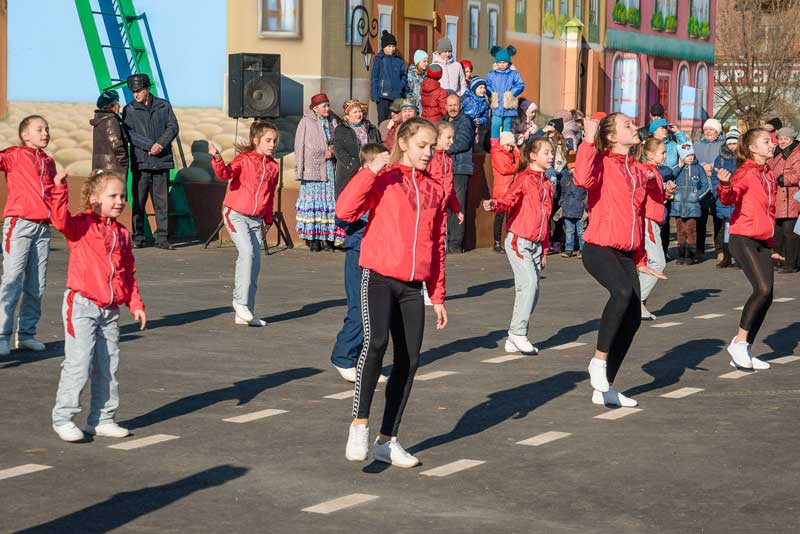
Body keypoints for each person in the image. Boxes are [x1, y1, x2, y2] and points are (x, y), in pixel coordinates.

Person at [337, 117, 448, 468]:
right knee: (376, 343)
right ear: (402, 142)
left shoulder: (435, 189)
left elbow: (437, 243)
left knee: (410, 361)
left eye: (432, 146)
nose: (428, 152)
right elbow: (344, 211)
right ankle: (359, 424)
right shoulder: (385, 179)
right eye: (421, 146)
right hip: (379, 276)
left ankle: (388, 439)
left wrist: (438, 294)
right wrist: (370, 170)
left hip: (413, 286)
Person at [574, 113, 667, 408]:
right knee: (622, 293)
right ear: (612, 136)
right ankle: (598, 362)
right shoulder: (600, 160)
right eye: (626, 125)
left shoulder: (638, 169)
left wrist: (640, 257)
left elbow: (642, 214)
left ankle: (606, 389)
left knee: (634, 317)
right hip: (598, 247)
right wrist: (588, 140)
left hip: (627, 252)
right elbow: (581, 178)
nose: (634, 127)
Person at [50, 171, 146, 442]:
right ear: (94, 199)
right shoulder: (80, 225)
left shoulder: (122, 234)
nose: (120, 201)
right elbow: (59, 220)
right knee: (78, 363)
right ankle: (64, 418)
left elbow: (128, 272)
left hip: (109, 311)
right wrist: (59, 189)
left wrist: (135, 303)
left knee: (108, 365)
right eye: (112, 196)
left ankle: (102, 419)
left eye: (122, 196)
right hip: (81, 305)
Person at [482, 137, 554, 355]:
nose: (551, 156)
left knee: (533, 290)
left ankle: (514, 336)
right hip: (518, 241)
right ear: (532, 156)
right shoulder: (524, 179)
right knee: (529, 284)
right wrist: (495, 204)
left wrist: (544, 249)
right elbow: (508, 199)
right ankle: (518, 333)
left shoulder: (548, 184)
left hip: (536, 245)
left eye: (552, 153)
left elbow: (547, 219)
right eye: (547, 152)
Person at [717, 128, 777, 370]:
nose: (772, 144)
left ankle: (745, 349)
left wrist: (773, 244)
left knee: (768, 294)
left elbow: (769, 212)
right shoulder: (745, 172)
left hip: (763, 240)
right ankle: (739, 343)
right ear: (753, 148)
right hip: (742, 237)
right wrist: (723, 184)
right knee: (762, 289)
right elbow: (729, 198)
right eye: (766, 141)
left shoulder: (768, 174)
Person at [209, 121, 279, 327]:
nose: (272, 144)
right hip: (235, 213)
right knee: (246, 253)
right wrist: (217, 157)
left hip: (256, 219)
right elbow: (225, 174)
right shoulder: (245, 159)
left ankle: (245, 312)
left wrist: (268, 219)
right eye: (268, 140)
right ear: (256, 140)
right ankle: (239, 302)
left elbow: (270, 194)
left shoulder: (273, 166)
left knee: (255, 263)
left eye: (275, 141)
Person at [331, 143, 389, 382]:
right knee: (359, 308)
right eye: (383, 164)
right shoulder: (362, 183)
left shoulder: (383, 183)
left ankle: (362, 361)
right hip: (359, 250)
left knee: (375, 311)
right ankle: (343, 357)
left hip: (378, 253)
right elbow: (343, 216)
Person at [0, 115, 56, 356]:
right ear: (25, 135)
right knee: (12, 280)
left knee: (37, 284)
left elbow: (54, 195)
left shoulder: (49, 161)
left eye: (47, 129)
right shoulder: (14, 154)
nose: (45, 133)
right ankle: (2, 334)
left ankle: (26, 335)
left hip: (43, 228)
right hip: (19, 225)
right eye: (39, 129)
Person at [122, 73, 179, 250]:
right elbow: (129, 133)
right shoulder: (129, 109)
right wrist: (150, 145)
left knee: (162, 201)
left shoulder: (164, 105)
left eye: (138, 90)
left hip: (161, 160)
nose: (136, 94)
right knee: (138, 201)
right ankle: (138, 237)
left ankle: (162, 238)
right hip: (141, 162)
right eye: (133, 91)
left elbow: (173, 127)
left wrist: (160, 145)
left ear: (147, 89)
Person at [294, 93, 340, 252]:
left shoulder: (333, 121)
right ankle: (313, 239)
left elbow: (337, 141)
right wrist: (299, 170)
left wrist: (333, 151)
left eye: (328, 105)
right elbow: (299, 146)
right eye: (324, 106)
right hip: (312, 169)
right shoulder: (306, 122)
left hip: (328, 168)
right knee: (313, 203)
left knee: (327, 203)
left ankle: (326, 238)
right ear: (315, 108)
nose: (327, 108)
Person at [639, 138, 677, 320]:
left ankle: (639, 304)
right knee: (658, 263)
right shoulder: (647, 170)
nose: (665, 155)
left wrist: (667, 191)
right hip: (648, 221)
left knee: (647, 263)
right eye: (662, 152)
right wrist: (650, 181)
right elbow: (643, 186)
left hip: (654, 219)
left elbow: (657, 195)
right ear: (650, 154)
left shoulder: (655, 171)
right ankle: (636, 301)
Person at [441, 93, 475, 253]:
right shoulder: (442, 121)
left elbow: (462, 141)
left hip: (460, 169)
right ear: (445, 106)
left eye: (455, 105)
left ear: (460, 105)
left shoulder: (465, 121)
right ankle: (446, 240)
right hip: (444, 169)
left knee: (458, 206)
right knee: (445, 205)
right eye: (450, 105)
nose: (453, 108)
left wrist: (444, 149)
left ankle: (455, 244)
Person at [670, 141, 710, 265]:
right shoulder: (677, 169)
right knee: (680, 231)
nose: (690, 157)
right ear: (682, 157)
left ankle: (691, 256)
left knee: (691, 231)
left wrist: (697, 196)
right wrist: (679, 167)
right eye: (687, 155)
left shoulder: (699, 168)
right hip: (678, 205)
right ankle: (681, 255)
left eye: (692, 155)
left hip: (693, 206)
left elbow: (706, 185)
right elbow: (670, 178)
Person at [334, 99, 382, 199]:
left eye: (360, 111)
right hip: (349, 172)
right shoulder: (341, 130)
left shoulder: (371, 129)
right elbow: (339, 151)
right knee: (349, 200)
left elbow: (378, 147)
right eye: (355, 112)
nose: (358, 114)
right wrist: (356, 166)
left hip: (370, 169)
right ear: (347, 115)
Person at [768, 126, 800, 273]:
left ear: (792, 139)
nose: (782, 141)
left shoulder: (796, 153)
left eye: (785, 139)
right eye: (780, 138)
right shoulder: (777, 154)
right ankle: (780, 260)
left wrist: (783, 179)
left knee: (790, 233)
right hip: (778, 199)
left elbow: (798, 175)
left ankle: (790, 263)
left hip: (791, 199)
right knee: (779, 232)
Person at [712, 128, 740, 268]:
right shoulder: (720, 159)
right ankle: (727, 257)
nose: (732, 146)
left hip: (737, 199)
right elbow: (714, 179)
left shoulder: (742, 159)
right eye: (730, 144)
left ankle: (739, 259)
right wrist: (717, 193)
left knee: (739, 230)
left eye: (734, 143)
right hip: (723, 199)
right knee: (726, 228)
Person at [486, 46, 525, 139]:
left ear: (508, 62)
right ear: (496, 62)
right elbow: (487, 85)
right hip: (497, 104)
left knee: (507, 125)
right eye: (500, 62)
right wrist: (491, 94)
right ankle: (494, 145)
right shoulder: (492, 74)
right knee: (495, 123)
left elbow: (520, 85)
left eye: (504, 62)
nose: (502, 64)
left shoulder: (513, 74)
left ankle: (506, 144)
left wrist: (512, 93)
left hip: (508, 105)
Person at [489, 131, 519, 253]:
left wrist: (516, 154)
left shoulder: (509, 154)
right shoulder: (497, 153)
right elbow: (505, 169)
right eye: (508, 145)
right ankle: (496, 243)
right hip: (501, 190)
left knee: (510, 218)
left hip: (510, 189)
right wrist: (516, 159)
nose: (509, 148)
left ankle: (508, 241)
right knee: (499, 217)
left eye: (511, 146)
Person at [429, 122, 464, 222]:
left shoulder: (448, 160)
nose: (452, 141)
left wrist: (456, 209)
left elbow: (450, 187)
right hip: (430, 206)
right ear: (438, 137)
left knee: (442, 235)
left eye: (452, 138)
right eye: (448, 137)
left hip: (443, 207)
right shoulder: (429, 157)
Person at [370, 31, 406, 123]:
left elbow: (403, 75)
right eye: (389, 46)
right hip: (382, 97)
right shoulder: (379, 59)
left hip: (396, 96)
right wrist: (375, 95)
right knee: (382, 121)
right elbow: (374, 77)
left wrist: (401, 87)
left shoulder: (399, 60)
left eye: (393, 46)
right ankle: (382, 137)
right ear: (384, 47)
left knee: (394, 121)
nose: (392, 49)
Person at [90, 89, 128, 176]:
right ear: (113, 105)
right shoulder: (111, 120)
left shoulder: (99, 120)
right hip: (113, 167)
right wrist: (124, 162)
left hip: (99, 166)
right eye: (118, 103)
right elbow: (116, 145)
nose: (119, 106)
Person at [559, 158, 587, 258]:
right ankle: (569, 249)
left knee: (581, 231)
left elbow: (586, 194)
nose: (573, 170)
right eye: (571, 168)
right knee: (569, 230)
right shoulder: (565, 179)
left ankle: (582, 249)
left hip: (580, 208)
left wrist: (585, 207)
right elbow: (562, 192)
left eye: (574, 167)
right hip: (567, 208)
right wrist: (562, 202)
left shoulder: (583, 179)